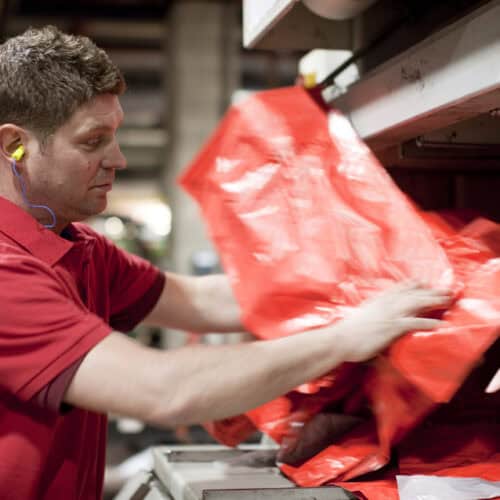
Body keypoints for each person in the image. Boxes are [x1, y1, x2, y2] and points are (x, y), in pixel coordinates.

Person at [0, 26, 451, 499]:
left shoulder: (78, 247)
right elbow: (162, 389)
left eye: (114, 136)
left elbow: (199, 298)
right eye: (93, 141)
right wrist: (344, 337)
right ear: (16, 145)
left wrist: (356, 283)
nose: (118, 158)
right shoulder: (8, 274)